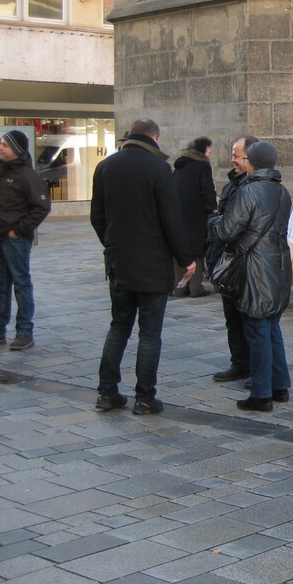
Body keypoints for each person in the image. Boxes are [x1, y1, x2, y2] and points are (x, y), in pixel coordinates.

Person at [91, 119, 195, 415]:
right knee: (149, 334)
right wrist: (185, 259)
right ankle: (145, 398)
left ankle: (107, 392)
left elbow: (97, 215)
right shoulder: (159, 168)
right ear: (155, 137)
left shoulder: (106, 166)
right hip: (152, 263)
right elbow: (171, 219)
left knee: (118, 327)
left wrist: (112, 244)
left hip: (119, 262)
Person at [210, 140, 293, 411]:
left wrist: (213, 221)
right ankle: (280, 386)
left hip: (254, 268)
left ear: (253, 162)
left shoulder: (249, 191)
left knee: (257, 329)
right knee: (271, 328)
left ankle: (261, 394)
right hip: (278, 267)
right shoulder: (282, 191)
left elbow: (226, 232)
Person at [0, 131, 51, 351]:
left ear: (17, 150)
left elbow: (42, 207)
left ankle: (24, 333)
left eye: (5, 145)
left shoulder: (27, 175)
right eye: (1, 144)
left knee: (21, 284)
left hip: (14, 241)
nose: (0, 148)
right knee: (1, 285)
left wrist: (18, 230)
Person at [209, 135, 259, 382]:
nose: (233, 160)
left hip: (247, 263)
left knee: (251, 320)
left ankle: (257, 369)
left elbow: (233, 227)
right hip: (228, 261)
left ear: (252, 158)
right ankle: (240, 363)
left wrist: (216, 223)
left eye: (237, 155)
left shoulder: (255, 188)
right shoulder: (233, 184)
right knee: (233, 318)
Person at [171, 136, 217, 298]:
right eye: (209, 150)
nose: (210, 153)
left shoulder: (180, 165)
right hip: (196, 214)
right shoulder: (202, 166)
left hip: (178, 213)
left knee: (180, 249)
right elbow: (207, 189)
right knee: (197, 251)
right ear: (203, 150)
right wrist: (212, 208)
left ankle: (180, 287)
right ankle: (195, 287)